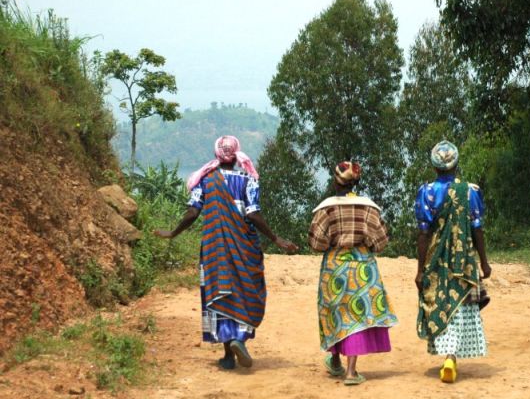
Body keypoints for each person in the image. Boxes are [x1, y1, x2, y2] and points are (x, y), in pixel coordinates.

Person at [154, 135, 298, 370]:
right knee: (243, 288)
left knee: (220, 290)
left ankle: (228, 354)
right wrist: (276, 238)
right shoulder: (248, 179)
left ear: (217, 155)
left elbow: (192, 212)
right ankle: (238, 339)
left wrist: (173, 233)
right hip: (244, 245)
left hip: (215, 247)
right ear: (236, 154)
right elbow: (252, 214)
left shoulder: (206, 180)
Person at [309, 161, 398, 386]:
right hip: (361, 266)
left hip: (335, 264)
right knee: (356, 316)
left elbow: (317, 242)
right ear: (354, 183)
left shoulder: (325, 208)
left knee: (335, 312)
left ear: (335, 181)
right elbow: (380, 241)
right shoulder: (368, 207)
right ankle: (351, 371)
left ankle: (337, 361)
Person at [414, 140, 491, 383]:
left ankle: (448, 356)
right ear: (456, 165)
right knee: (460, 305)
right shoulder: (470, 191)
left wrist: (420, 269)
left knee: (441, 302)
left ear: (435, 167)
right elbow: (477, 228)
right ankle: (451, 356)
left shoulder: (427, 192)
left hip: (436, 258)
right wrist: (484, 262)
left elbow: (423, 233)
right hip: (463, 259)